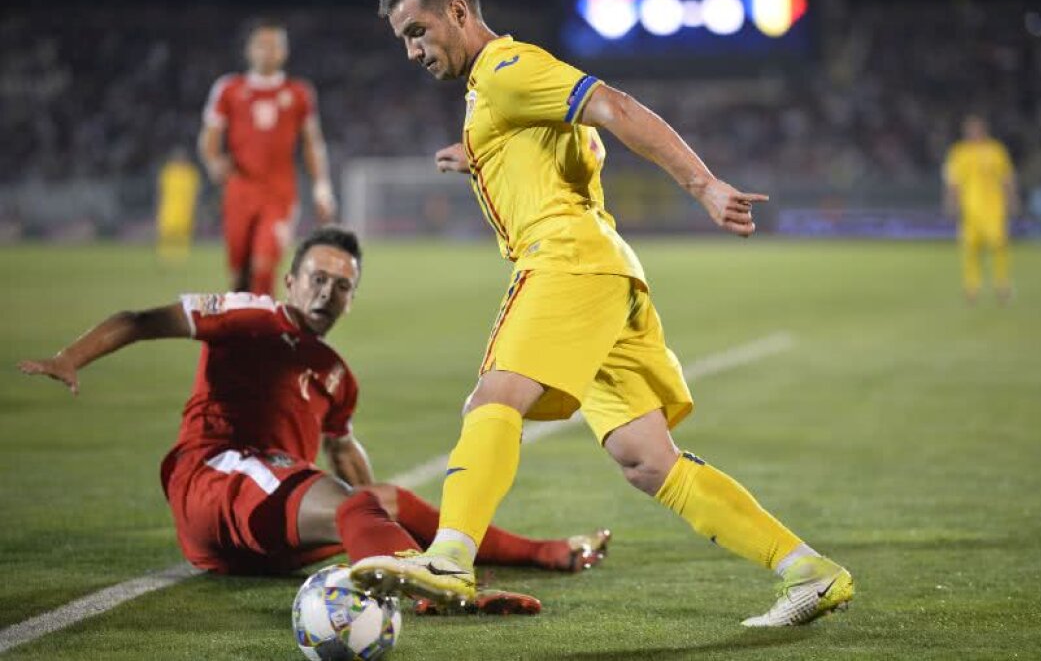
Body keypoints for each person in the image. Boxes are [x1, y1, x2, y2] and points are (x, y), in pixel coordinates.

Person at [350, 0, 853, 628]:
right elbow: (575, 140)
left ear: (459, 14)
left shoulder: (506, 70)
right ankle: (809, 570)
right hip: (606, 274)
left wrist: (703, 185)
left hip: (565, 264)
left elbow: (615, 107)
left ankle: (448, 556)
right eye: (404, 40)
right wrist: (480, 152)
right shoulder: (499, 93)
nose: (413, 51)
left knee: (494, 397)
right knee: (647, 461)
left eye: (417, 31)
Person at [18, 226, 609, 616]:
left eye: (342, 286)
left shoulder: (333, 372)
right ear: (291, 281)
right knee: (358, 506)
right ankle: (432, 596)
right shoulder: (251, 314)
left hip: (268, 530)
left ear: (353, 298)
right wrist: (70, 358)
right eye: (318, 280)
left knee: (382, 499)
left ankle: (541, 551)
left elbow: (348, 460)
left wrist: (375, 508)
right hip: (214, 481)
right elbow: (141, 319)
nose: (327, 293)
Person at [198, 20, 337, 296]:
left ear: (284, 52)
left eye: (275, 46)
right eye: (262, 45)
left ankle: (263, 337)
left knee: (263, 266)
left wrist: (322, 189)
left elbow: (312, 143)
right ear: (249, 50)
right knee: (239, 276)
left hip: (279, 193)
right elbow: (209, 137)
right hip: (239, 191)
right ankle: (240, 334)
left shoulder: (299, 93)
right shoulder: (228, 89)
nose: (268, 51)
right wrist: (213, 161)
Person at [942, 114, 1018, 303]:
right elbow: (953, 182)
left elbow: (1007, 178)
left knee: (998, 246)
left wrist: (1012, 199)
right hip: (970, 210)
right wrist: (951, 203)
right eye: (970, 130)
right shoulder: (959, 152)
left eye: (976, 129)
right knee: (970, 250)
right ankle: (972, 288)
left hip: (994, 209)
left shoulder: (996, 151)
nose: (973, 133)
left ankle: (1002, 286)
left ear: (984, 130)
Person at [156, 146, 201, 264]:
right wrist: (158, 208)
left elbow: (195, 194)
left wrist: (195, 210)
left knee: (183, 234)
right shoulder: (168, 172)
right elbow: (161, 191)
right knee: (168, 232)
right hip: (169, 207)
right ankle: (166, 258)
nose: (180, 160)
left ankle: (181, 259)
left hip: (185, 209)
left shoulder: (191, 173)